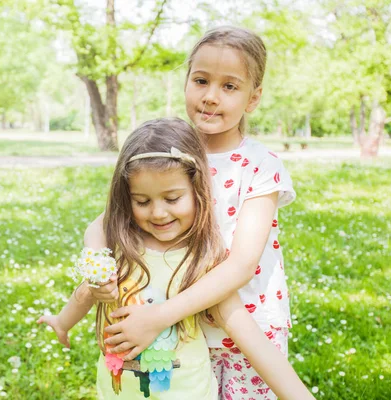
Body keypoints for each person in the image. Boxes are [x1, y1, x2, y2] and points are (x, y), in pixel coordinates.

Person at [85, 26, 299, 399]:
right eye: (201, 80)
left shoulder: (260, 165)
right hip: (184, 328)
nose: (211, 97)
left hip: (246, 321)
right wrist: (98, 264)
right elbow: (104, 223)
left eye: (230, 86)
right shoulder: (168, 155)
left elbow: (242, 264)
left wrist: (158, 316)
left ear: (253, 97)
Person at [38, 118, 313, 399]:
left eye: (172, 199)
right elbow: (86, 294)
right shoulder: (123, 252)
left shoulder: (201, 264)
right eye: (142, 202)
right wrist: (62, 321)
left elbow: (248, 335)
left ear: (199, 191)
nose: (158, 213)